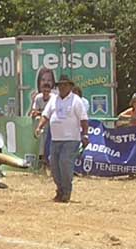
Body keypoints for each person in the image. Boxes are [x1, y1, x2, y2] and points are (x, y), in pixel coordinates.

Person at [34, 74, 89, 203]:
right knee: (54, 165)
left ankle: (66, 192)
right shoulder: (54, 100)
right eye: (60, 85)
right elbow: (46, 115)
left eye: (65, 85)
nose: (62, 87)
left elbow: (84, 119)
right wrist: (39, 127)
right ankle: (60, 190)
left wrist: (85, 134)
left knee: (65, 163)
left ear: (70, 86)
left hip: (71, 139)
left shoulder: (76, 100)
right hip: (56, 139)